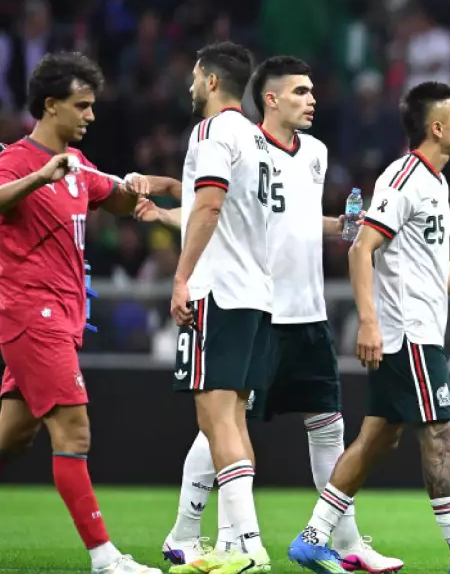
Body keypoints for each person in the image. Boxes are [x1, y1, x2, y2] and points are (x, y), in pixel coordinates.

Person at [144, 56, 403, 573]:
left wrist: (348, 225)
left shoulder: (315, 153)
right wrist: (170, 204)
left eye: (312, 91)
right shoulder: (241, 140)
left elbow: (293, 220)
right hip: (260, 304)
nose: (312, 100)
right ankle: (196, 533)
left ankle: (340, 542)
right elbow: (214, 206)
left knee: (322, 422)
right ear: (270, 97)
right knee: (221, 421)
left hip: (301, 308)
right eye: (301, 91)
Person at [286, 82, 450, 574]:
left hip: (418, 332)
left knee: (378, 437)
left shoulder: (436, 182)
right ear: (436, 128)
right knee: (442, 434)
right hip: (407, 334)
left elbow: (438, 262)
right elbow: (360, 247)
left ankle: (313, 537)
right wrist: (368, 322)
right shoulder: (403, 179)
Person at [0, 52, 178, 573]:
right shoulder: (17, 161)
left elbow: (118, 197)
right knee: (74, 432)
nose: (91, 116)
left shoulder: (79, 168)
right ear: (50, 106)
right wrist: (41, 177)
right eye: (82, 106)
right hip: (32, 314)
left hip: (62, 315)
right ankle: (106, 558)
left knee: (15, 434)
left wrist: (150, 186)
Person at [169, 41, 275, 574]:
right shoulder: (260, 141)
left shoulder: (211, 133)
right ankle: (233, 546)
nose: (191, 85)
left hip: (219, 289)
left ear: (211, 81)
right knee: (232, 419)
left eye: (194, 76)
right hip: (257, 293)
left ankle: (249, 547)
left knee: (215, 416)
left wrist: (182, 275)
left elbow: (209, 204)